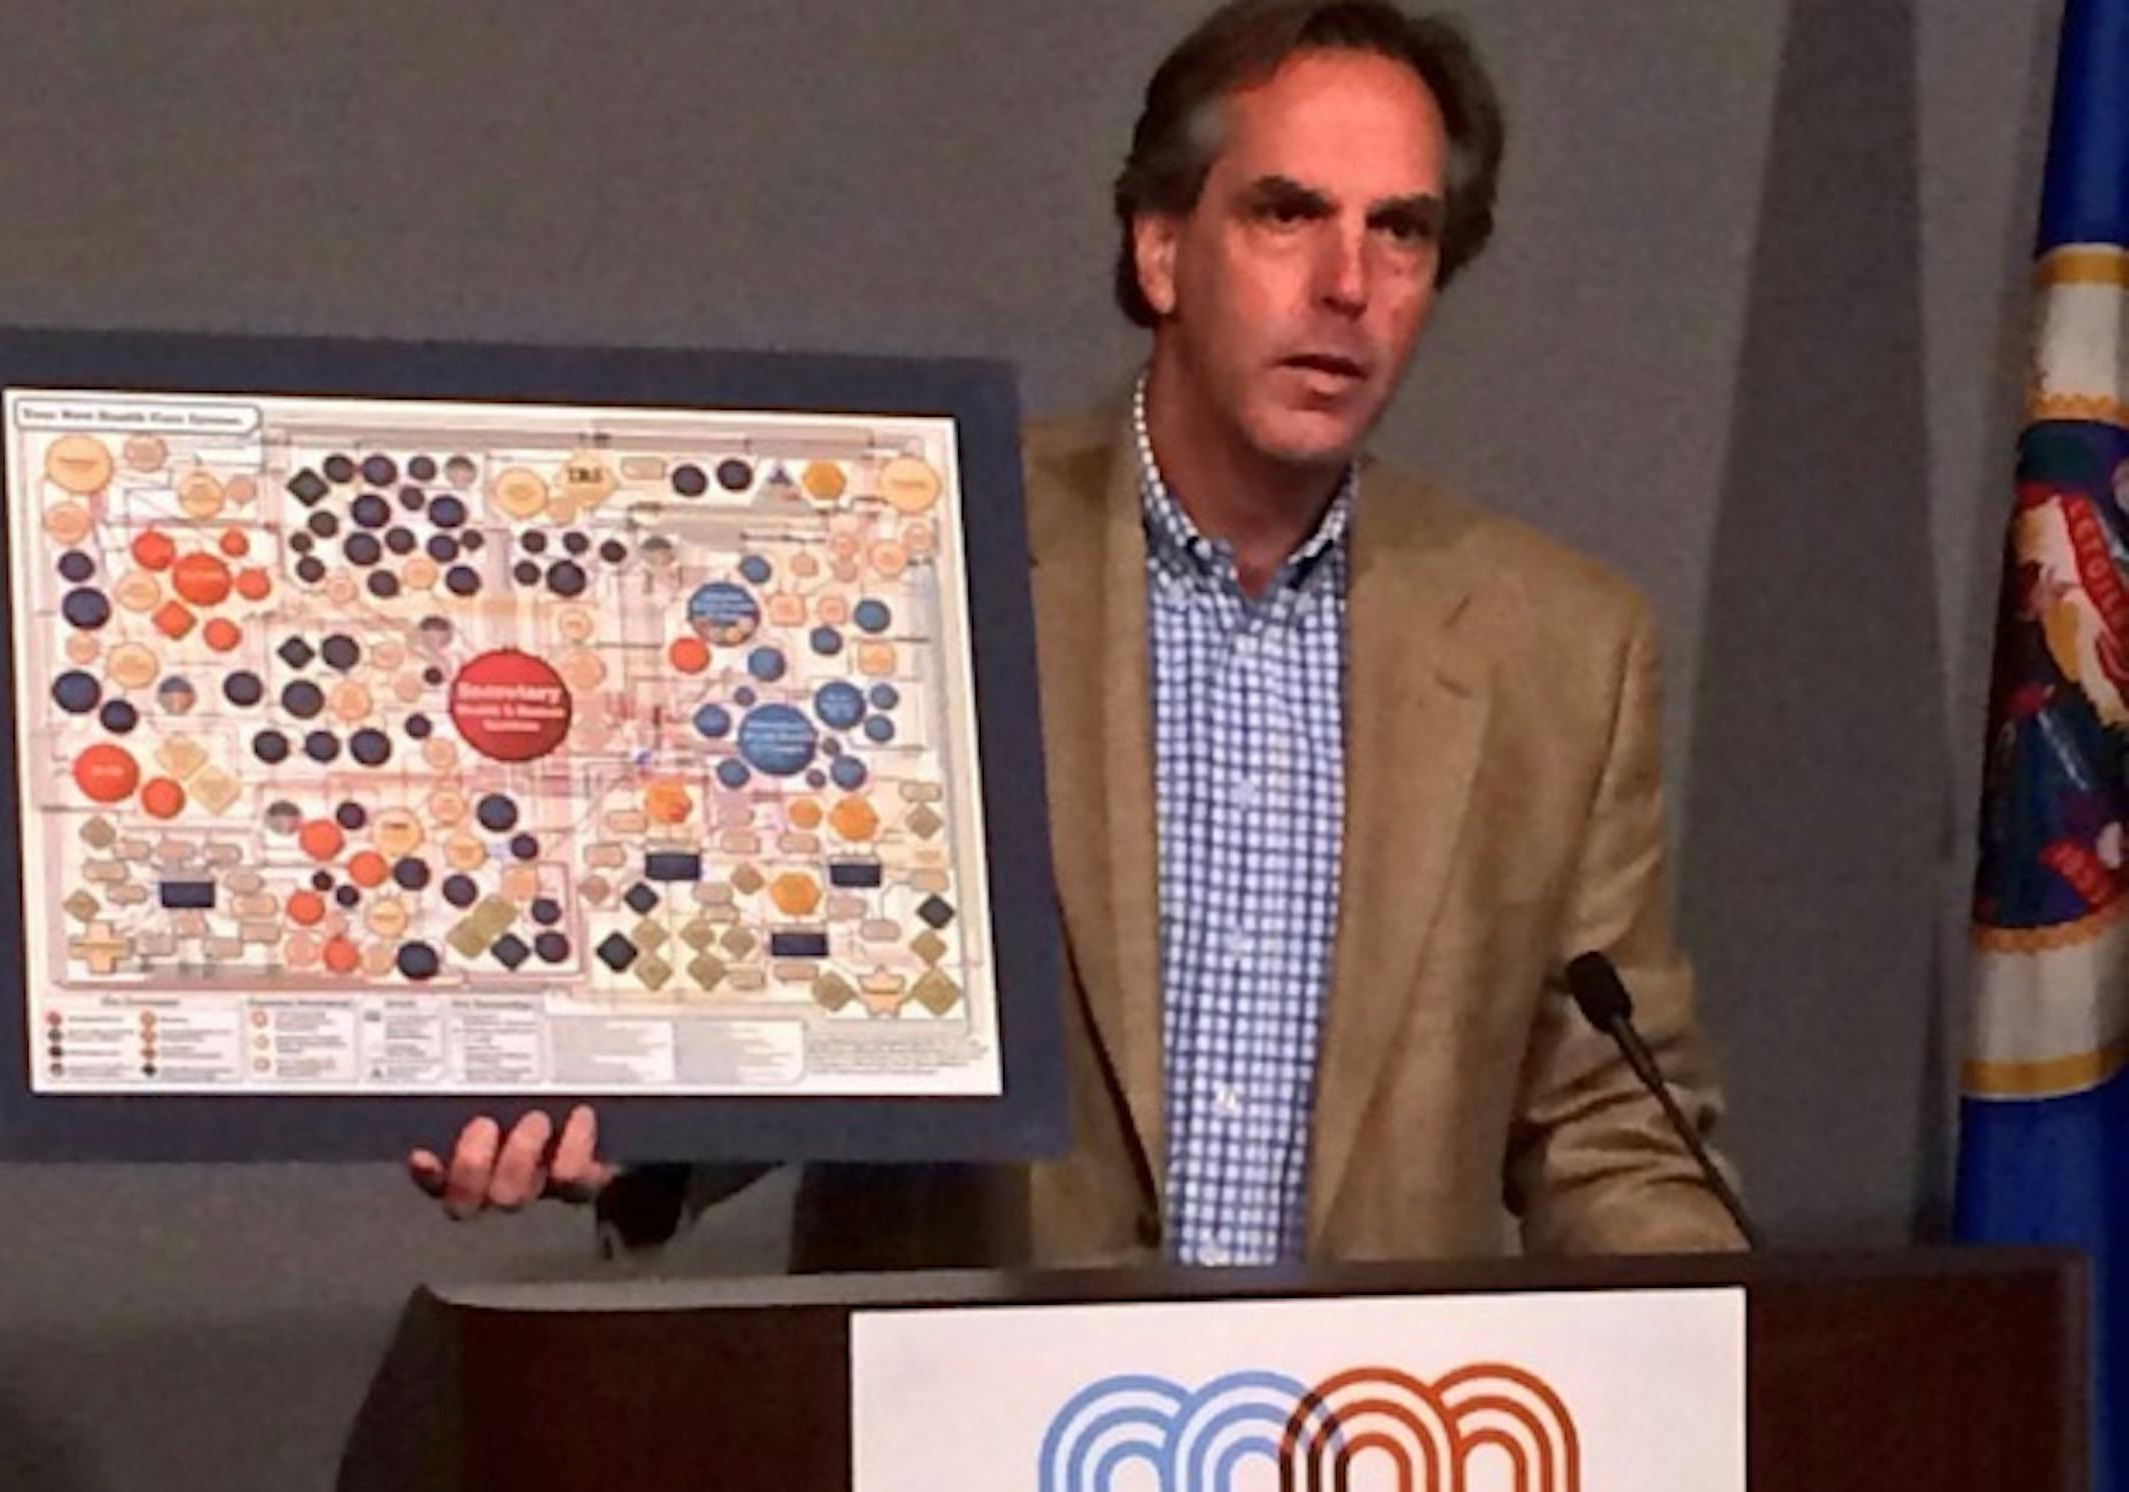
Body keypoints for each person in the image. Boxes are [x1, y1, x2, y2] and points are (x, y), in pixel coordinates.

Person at [410, 0, 1744, 1267]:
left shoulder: (1560, 652)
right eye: (1287, 213)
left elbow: (1610, 1126)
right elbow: (774, 995)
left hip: (1360, 1425)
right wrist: (608, 1104)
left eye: (1400, 231)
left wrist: (1744, 1361)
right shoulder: (917, 564)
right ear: (1161, 250)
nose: (1349, 282)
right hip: (968, 1412)